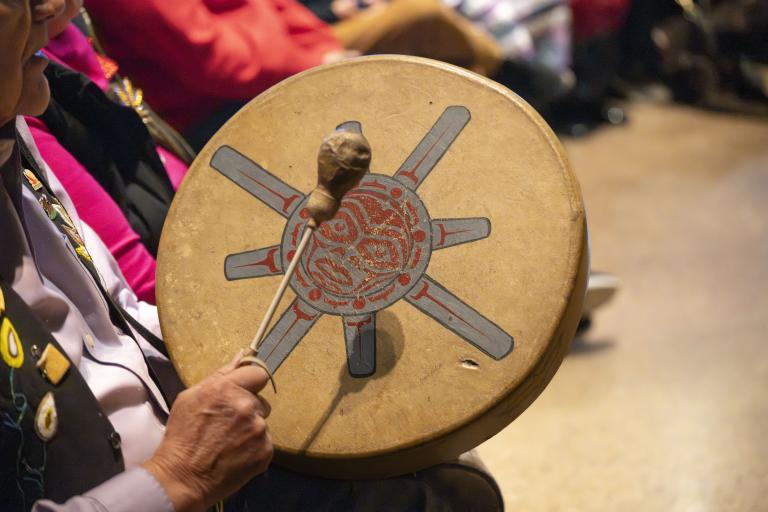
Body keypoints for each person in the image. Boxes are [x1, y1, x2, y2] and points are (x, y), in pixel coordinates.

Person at [1, 1, 502, 510]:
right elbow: (211, 55)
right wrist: (176, 477)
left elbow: (118, 315)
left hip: (186, 444)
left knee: (440, 475)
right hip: (165, 487)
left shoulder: (14, 129)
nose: (46, 8)